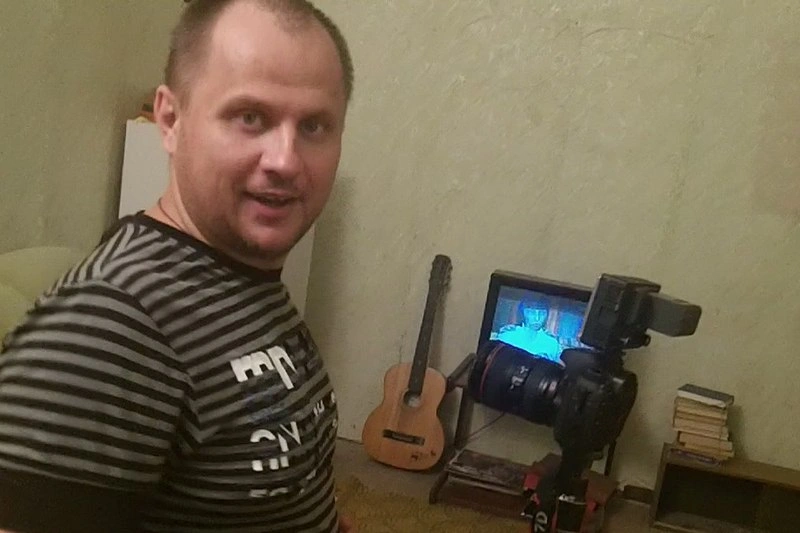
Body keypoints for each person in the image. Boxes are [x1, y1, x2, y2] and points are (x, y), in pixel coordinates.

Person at [0, 1, 355, 532]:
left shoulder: (241, 277)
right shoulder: (109, 324)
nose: (285, 160)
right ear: (170, 119)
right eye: (250, 117)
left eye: (314, 125)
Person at [495, 299, 562, 362]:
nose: (537, 318)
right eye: (532, 313)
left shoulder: (552, 344)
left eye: (542, 313)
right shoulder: (507, 336)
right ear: (524, 313)